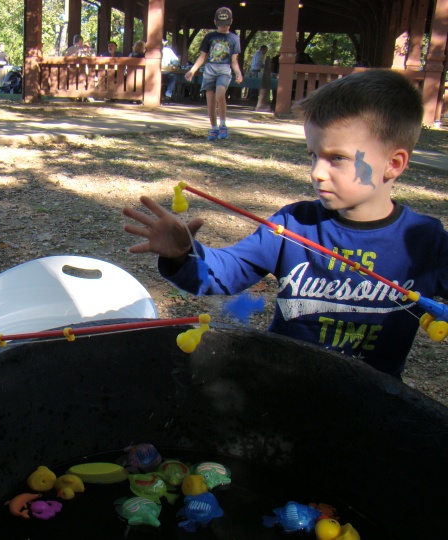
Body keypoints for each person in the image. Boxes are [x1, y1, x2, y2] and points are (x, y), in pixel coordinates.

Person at [122, 69, 448, 379]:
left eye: (336, 158)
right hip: (283, 383)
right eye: (313, 155)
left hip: (374, 402)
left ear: (393, 164)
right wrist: (184, 255)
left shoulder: (425, 241)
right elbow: (225, 273)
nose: (317, 172)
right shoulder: (293, 223)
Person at [184, 7, 243, 141]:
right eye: (221, 24)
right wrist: (192, 70)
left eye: (226, 24)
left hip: (224, 70)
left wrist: (238, 73)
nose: (223, 27)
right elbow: (202, 57)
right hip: (209, 71)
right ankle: (214, 128)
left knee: (220, 95)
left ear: (231, 22)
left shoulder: (234, 38)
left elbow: (234, 61)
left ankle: (223, 125)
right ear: (215, 22)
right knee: (210, 102)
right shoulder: (210, 37)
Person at [161, 39, 181, 103]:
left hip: (166, 72)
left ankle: (168, 95)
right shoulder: (151, 51)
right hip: (154, 73)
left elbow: (175, 59)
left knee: (173, 76)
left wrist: (175, 64)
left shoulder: (168, 51)